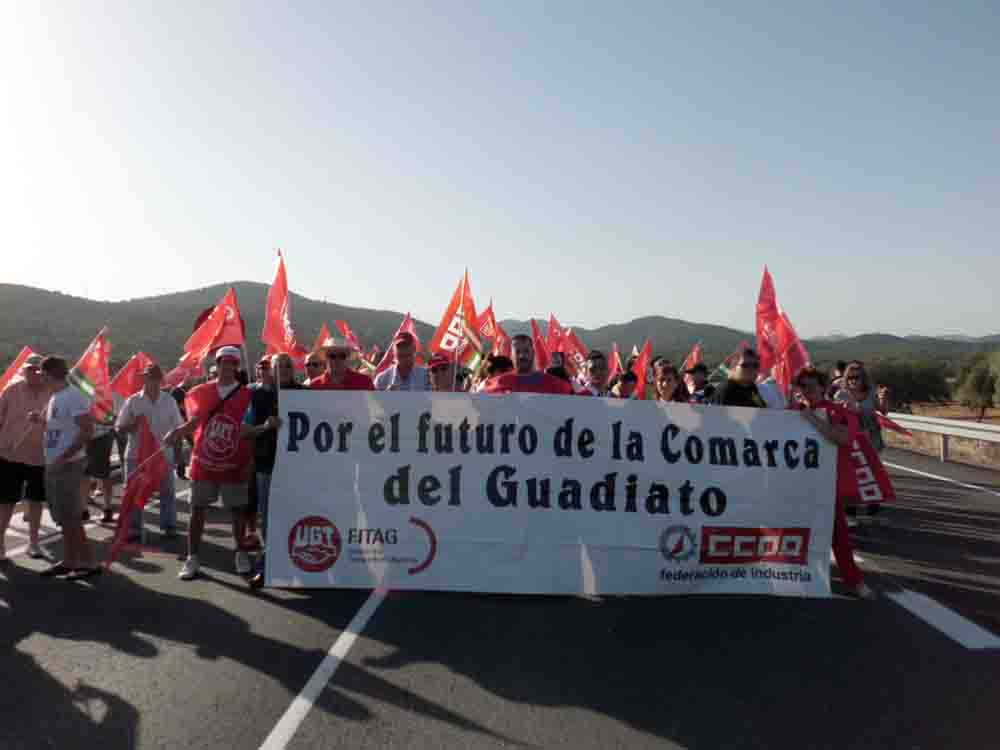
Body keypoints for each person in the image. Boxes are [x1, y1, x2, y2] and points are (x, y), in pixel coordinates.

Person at [164, 347, 257, 581]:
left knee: (237, 511)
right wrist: (177, 432)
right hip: (204, 461)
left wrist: (250, 461)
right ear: (217, 364)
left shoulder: (247, 394)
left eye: (232, 363)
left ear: (237, 366)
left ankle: (241, 553)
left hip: (235, 462)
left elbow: (250, 430)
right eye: (223, 362)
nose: (227, 366)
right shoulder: (201, 392)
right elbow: (195, 422)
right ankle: (192, 558)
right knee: (197, 511)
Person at [791, 367, 874, 599]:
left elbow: (843, 438)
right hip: (794, 485)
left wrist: (812, 419)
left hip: (826, 485)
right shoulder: (790, 411)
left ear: (824, 387)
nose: (808, 391)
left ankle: (854, 581)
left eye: (813, 385)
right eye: (803, 386)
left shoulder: (838, 411)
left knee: (838, 535)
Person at [31, 356, 99, 579]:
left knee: (71, 516)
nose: (39, 376)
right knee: (63, 517)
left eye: (41, 373)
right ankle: (70, 560)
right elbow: (61, 427)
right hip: (56, 464)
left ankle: (88, 563)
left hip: (67, 465)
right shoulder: (56, 397)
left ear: (49, 374)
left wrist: (62, 458)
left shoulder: (73, 397)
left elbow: (87, 430)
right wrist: (40, 421)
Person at [243, 352, 299, 589]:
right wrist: (265, 426)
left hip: (299, 468)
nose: (284, 369)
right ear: (271, 370)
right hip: (267, 465)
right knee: (268, 518)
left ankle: (297, 565)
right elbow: (244, 431)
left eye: (288, 365)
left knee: (295, 516)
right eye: (279, 365)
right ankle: (267, 567)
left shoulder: (306, 395)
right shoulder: (256, 396)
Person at [115, 363, 184, 542]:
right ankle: (133, 528)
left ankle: (169, 525)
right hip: (136, 455)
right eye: (147, 377)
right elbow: (119, 428)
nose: (150, 381)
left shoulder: (169, 401)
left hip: (163, 454)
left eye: (154, 378)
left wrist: (178, 455)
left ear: (160, 381)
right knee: (134, 492)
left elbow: (179, 428)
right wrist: (133, 425)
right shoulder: (133, 401)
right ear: (143, 379)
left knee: (167, 491)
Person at [0, 354, 51, 561]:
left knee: (36, 501)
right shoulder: (11, 391)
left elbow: (60, 424)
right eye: (30, 369)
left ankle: (34, 543)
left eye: (38, 370)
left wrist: (44, 421)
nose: (34, 373)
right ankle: (0, 544)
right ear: (24, 371)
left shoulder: (52, 393)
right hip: (8, 455)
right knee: (5, 502)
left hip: (39, 456)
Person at [834, 360, 885, 523]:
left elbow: (883, 411)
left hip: (871, 436)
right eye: (850, 377)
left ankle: (873, 508)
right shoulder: (840, 394)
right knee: (852, 475)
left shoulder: (870, 393)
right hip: (851, 438)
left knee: (872, 474)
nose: (853, 380)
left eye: (857, 377)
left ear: (864, 378)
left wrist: (883, 399)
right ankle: (850, 513)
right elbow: (834, 417)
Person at [483, 335, 574, 395]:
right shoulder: (496, 384)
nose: (522, 355)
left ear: (533, 353)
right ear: (511, 355)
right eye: (517, 352)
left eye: (526, 351)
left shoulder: (555, 385)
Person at [308, 338, 375, 391]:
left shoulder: (365, 382)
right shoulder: (315, 385)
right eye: (332, 356)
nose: (337, 360)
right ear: (326, 358)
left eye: (342, 356)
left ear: (347, 358)